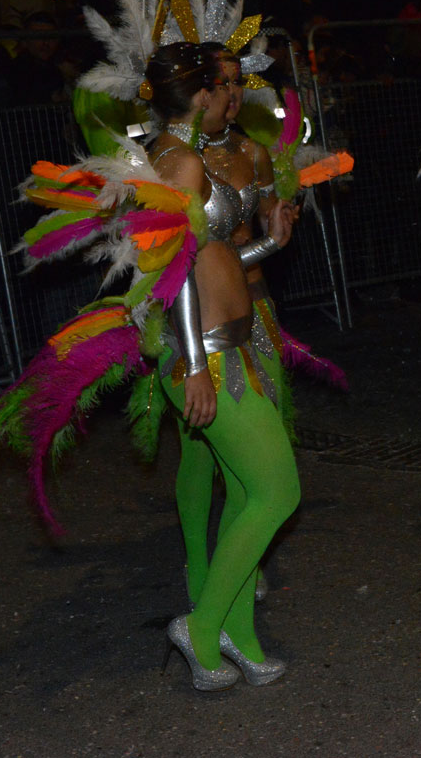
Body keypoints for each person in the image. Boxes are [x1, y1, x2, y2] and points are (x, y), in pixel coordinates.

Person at [144, 41, 300, 690]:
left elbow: (219, 257)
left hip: (231, 342)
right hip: (203, 352)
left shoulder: (190, 157)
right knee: (277, 491)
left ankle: (239, 633)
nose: (233, 101)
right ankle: (201, 626)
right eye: (224, 89)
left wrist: (272, 241)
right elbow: (174, 264)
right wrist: (196, 365)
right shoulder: (178, 163)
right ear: (203, 93)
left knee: (243, 493)